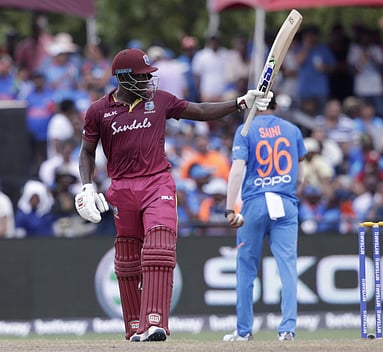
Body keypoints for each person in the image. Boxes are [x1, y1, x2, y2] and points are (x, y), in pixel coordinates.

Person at [74, 47, 272, 342]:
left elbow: (201, 111)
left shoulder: (160, 101)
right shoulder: (98, 111)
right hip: (122, 188)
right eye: (141, 77)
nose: (147, 82)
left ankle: (155, 321)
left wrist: (241, 103)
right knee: (127, 261)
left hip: (157, 183)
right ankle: (134, 327)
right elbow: (87, 153)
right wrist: (87, 185)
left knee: (159, 246)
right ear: (123, 78)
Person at [222, 95, 306, 342]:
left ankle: (244, 331)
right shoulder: (292, 130)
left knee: (246, 268)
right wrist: (291, 187)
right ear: (276, 106)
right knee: (288, 267)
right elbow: (301, 175)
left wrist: (229, 209)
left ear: (253, 106)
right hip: (286, 203)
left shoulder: (245, 129)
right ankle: (287, 329)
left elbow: (237, 169)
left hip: (255, 204)